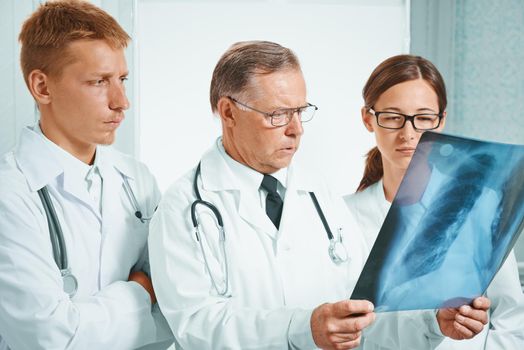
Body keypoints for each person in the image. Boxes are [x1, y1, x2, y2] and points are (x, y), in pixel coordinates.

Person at [148, 41, 489, 350]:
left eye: (300, 111)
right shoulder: (185, 206)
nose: (296, 129)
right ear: (228, 112)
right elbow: (194, 326)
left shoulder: (318, 193)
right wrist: (303, 328)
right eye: (277, 114)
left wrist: (432, 322)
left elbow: (364, 314)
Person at [0, 1, 172, 349]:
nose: (121, 101)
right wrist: (140, 291)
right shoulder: (10, 193)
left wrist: (82, 320)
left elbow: (174, 313)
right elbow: (45, 338)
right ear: (42, 88)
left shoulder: (136, 179)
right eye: (99, 82)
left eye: (122, 79)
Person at [344, 54, 524, 349]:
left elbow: (512, 318)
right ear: (368, 118)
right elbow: (345, 327)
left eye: (424, 118)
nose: (409, 133)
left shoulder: (482, 204)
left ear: (441, 120)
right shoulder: (341, 217)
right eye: (392, 117)